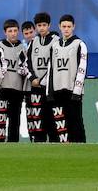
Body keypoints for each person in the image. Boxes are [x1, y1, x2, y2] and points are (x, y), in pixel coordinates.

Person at [46, 14, 88, 143]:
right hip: (58, 90)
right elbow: (50, 70)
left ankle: (81, 146)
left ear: (73, 27)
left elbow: (82, 69)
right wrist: (49, 92)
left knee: (75, 121)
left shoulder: (80, 44)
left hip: (72, 90)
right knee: (58, 123)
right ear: (59, 27)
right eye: (64, 26)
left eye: (69, 26)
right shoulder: (54, 46)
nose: (66, 29)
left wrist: (77, 91)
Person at [26, 12, 60, 142]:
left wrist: (42, 80)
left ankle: (54, 141)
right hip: (36, 87)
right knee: (38, 117)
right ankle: (39, 143)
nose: (41, 28)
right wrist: (32, 78)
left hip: (50, 87)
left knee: (51, 116)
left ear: (49, 25)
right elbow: (27, 62)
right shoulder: (33, 42)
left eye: (44, 25)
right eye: (39, 25)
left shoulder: (56, 41)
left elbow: (54, 64)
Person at [0, 19, 27, 142]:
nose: (13, 33)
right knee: (0, 119)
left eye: (15, 31)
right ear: (5, 32)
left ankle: (13, 143)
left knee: (15, 119)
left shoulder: (23, 47)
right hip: (2, 88)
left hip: (17, 89)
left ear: (18, 31)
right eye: (10, 31)